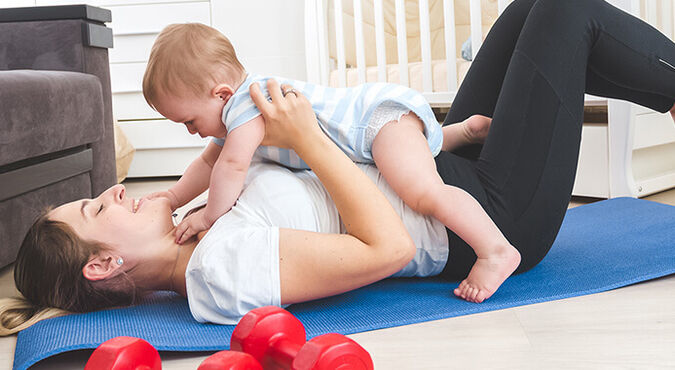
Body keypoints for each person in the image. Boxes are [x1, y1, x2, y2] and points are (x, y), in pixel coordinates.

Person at [1, 0, 674, 335]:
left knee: (533, 8)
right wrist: (309, 139)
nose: (114, 191)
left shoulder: (203, 226)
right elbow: (386, 247)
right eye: (96, 208)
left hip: (441, 173)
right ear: (103, 265)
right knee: (564, 10)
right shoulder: (216, 271)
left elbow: (217, 160)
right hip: (487, 216)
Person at [140, 22, 518, 303]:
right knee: (405, 160)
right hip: (374, 137)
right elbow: (209, 163)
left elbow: (230, 167)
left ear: (220, 93)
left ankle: (495, 249)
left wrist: (209, 217)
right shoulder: (230, 116)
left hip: (374, 123)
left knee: (422, 191)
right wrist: (173, 197)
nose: (191, 132)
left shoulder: (245, 106)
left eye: (189, 121)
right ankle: (459, 132)